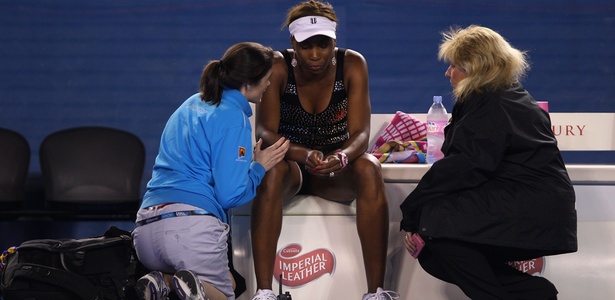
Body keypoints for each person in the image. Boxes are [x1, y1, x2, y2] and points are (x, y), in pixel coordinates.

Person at [400, 25, 577, 299]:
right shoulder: (501, 96)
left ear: (474, 68)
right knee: (433, 246)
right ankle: (535, 292)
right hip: (529, 205)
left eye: (454, 66)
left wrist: (411, 210)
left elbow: (465, 167)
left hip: (530, 207)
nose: (448, 73)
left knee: (435, 227)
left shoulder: (494, 103)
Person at [250, 1, 399, 300]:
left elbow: (361, 133)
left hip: (335, 170)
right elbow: (264, 132)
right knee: (271, 170)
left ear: (335, 41)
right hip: (292, 166)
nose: (316, 54)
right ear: (293, 42)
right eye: (306, 46)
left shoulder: (353, 64)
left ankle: (376, 292)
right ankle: (264, 292)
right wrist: (303, 154)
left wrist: (341, 156)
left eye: (324, 44)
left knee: (369, 166)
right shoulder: (277, 65)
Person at [132, 42, 290, 300]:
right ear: (248, 84)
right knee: (222, 296)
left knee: (230, 281)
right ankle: (190, 287)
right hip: (190, 231)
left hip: (145, 232)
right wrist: (258, 168)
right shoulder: (235, 119)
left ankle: (163, 281)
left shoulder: (189, 104)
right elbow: (230, 195)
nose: (269, 85)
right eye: (267, 79)